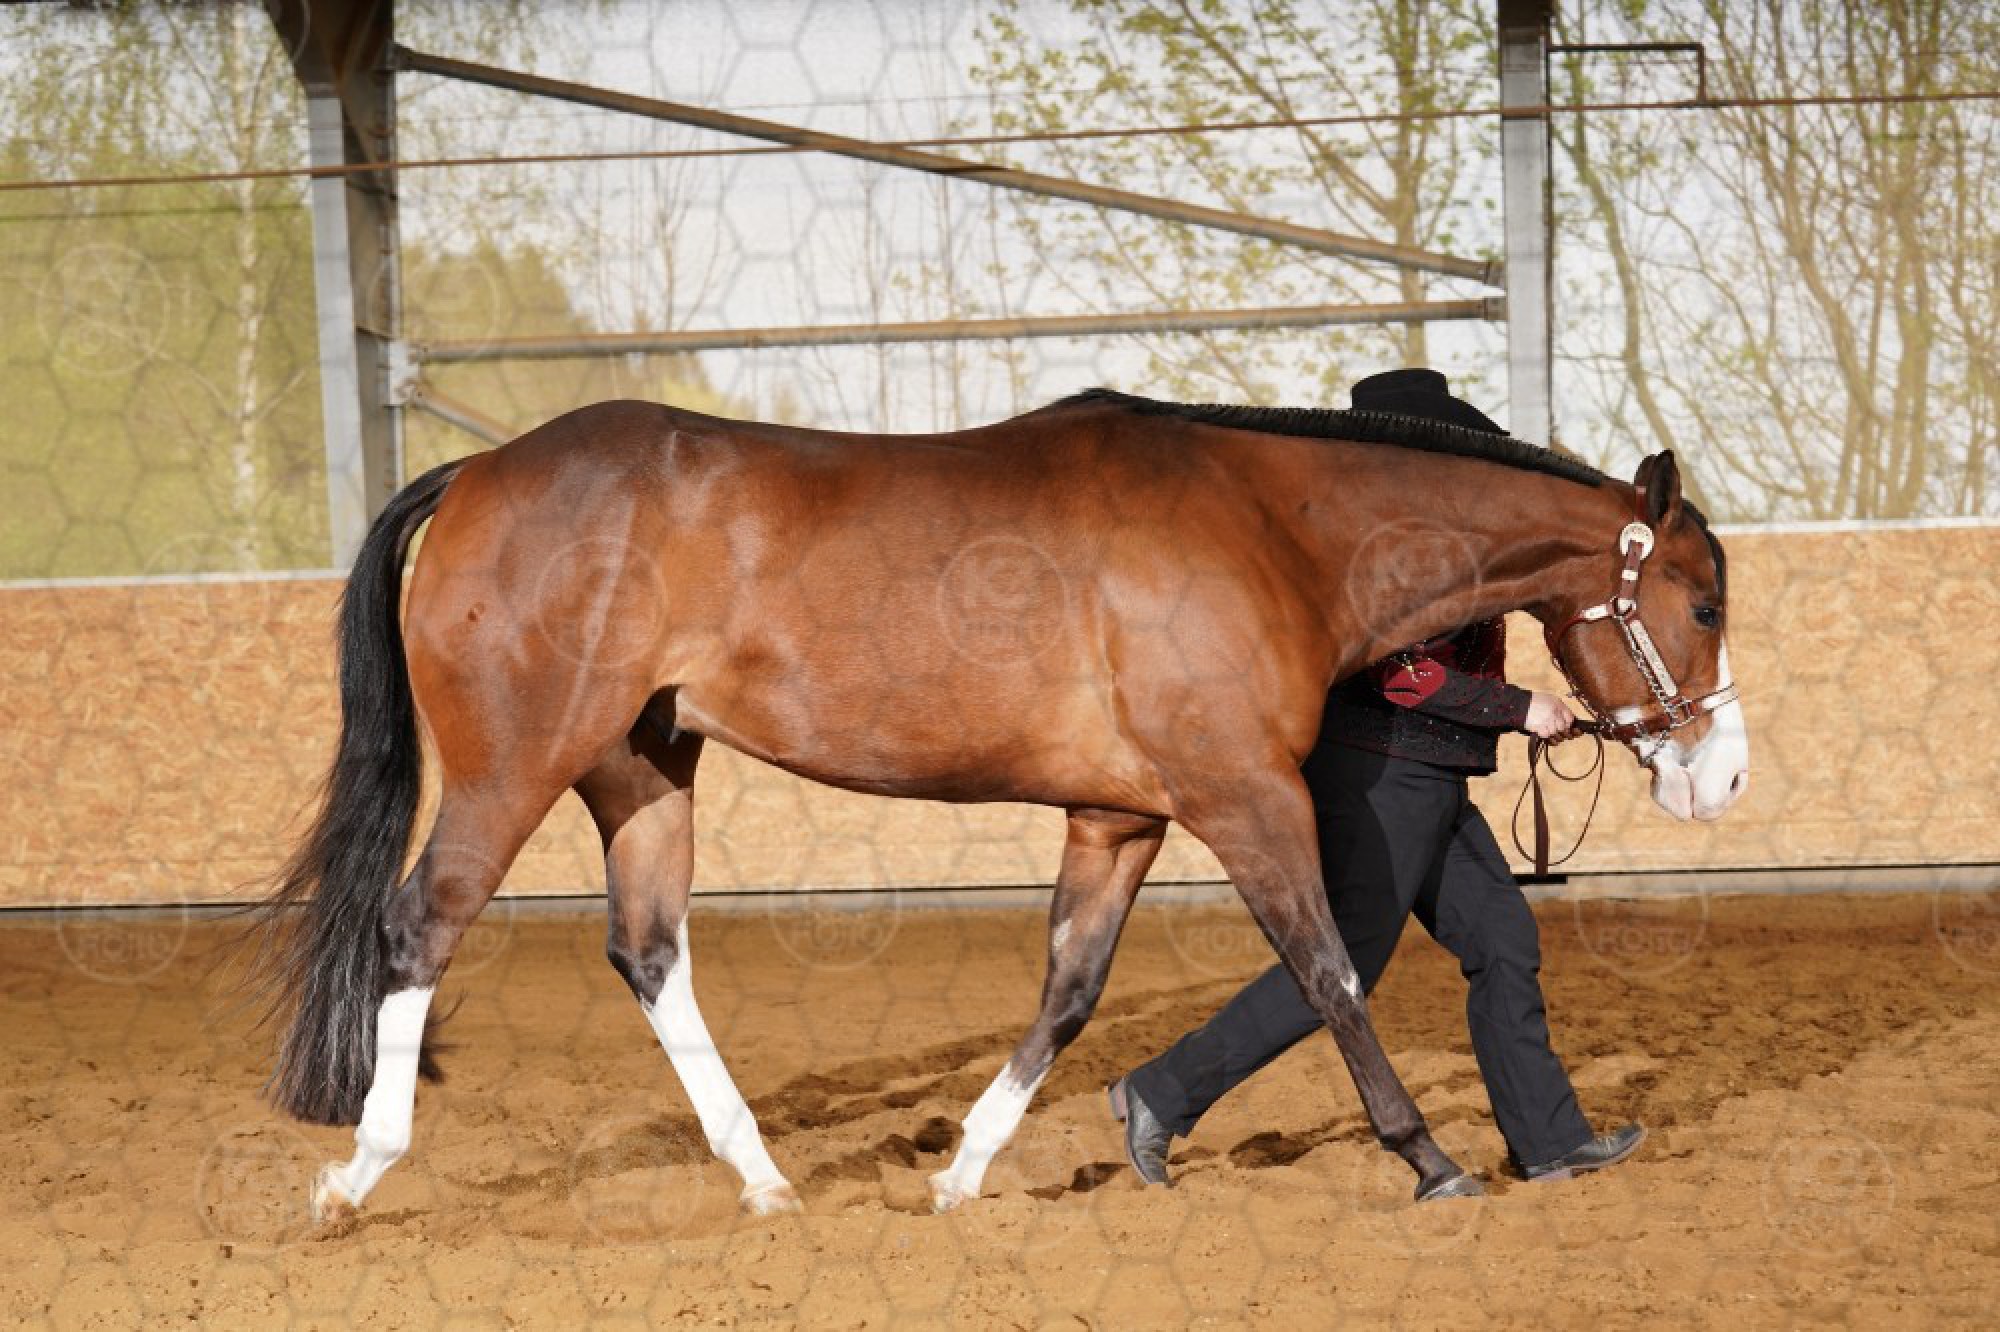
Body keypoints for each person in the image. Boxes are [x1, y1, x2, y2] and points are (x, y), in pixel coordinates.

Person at [1108, 368, 1644, 1187]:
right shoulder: (1382, 549)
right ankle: (1162, 1092)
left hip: (1431, 777)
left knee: (1503, 941)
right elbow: (1396, 674)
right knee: (1343, 967)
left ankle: (1549, 1142)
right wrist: (1517, 707)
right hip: (1379, 773)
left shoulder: (1441, 542)